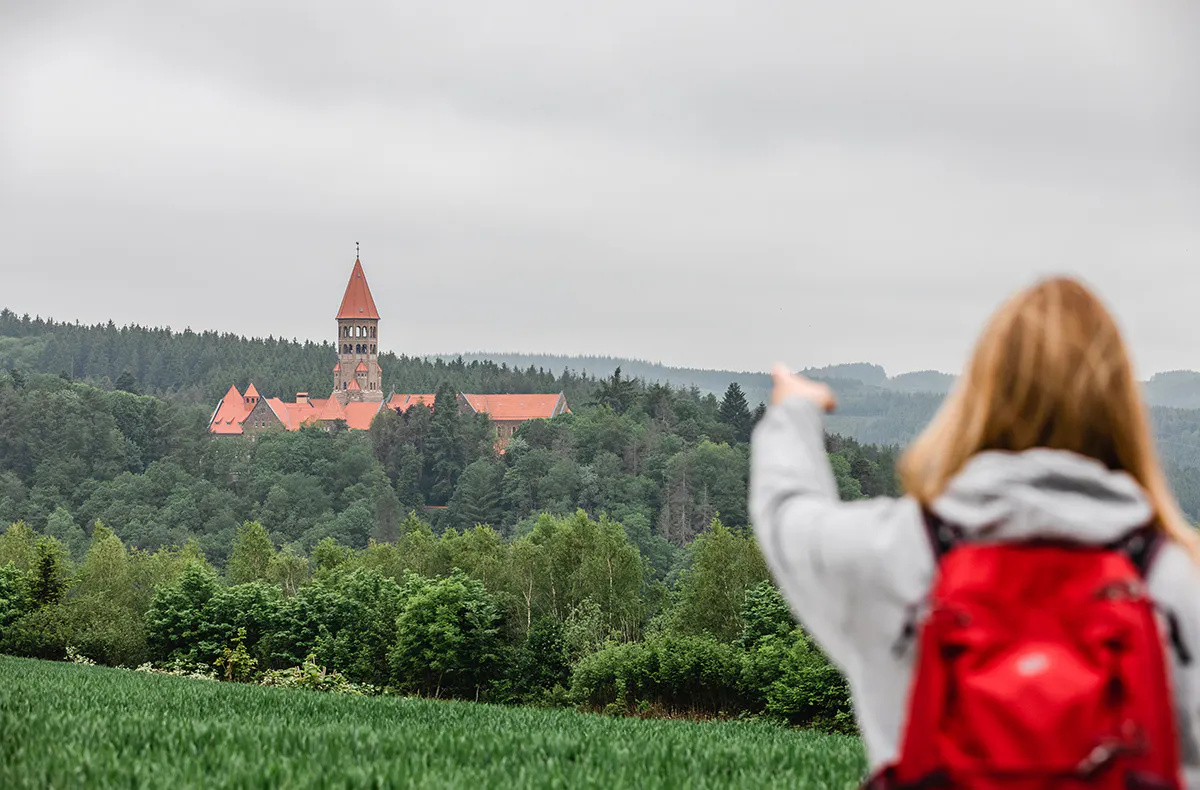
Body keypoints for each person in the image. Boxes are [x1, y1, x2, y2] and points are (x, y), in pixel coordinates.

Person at [750, 277, 1200, 788]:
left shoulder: (894, 553)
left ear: (979, 393)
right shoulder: (1178, 580)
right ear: (1123, 410)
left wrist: (793, 409)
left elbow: (786, 513)